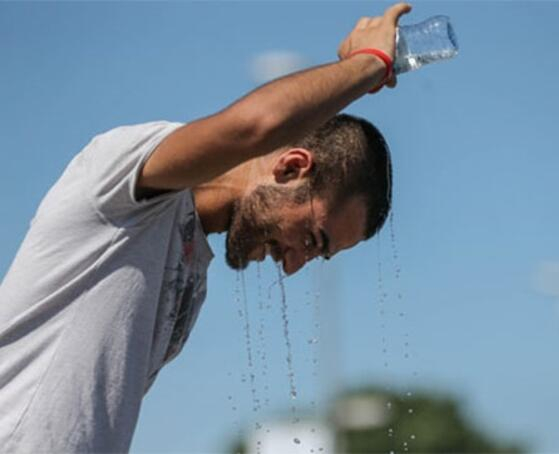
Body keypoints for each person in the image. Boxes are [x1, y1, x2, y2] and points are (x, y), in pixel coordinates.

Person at [0, 3, 412, 451]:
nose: (293, 266)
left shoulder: (191, 273)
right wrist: (370, 64)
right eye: (311, 239)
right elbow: (255, 126)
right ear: (291, 167)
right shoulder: (123, 181)